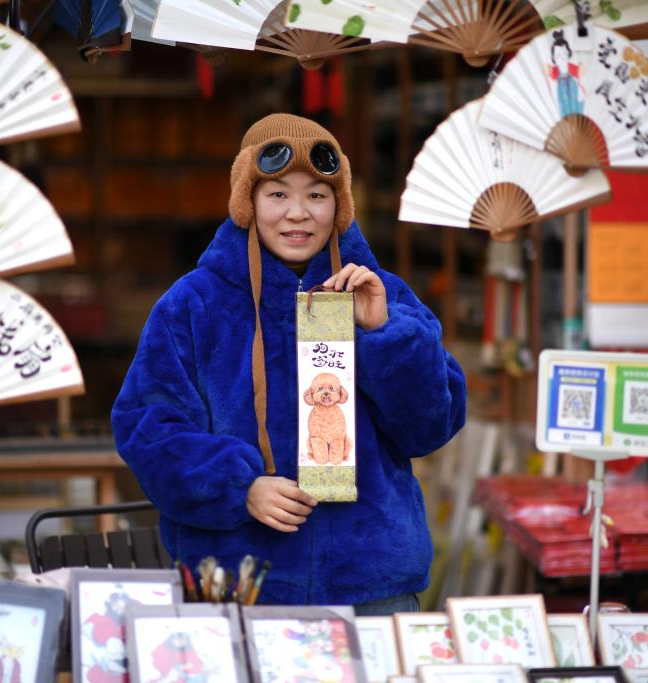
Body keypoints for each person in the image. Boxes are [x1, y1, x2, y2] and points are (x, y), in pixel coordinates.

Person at [112, 113, 466, 613]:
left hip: (372, 586)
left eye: (316, 195)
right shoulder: (193, 304)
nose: (298, 213)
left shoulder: (383, 296)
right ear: (247, 200)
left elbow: (430, 428)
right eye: (278, 194)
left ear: (339, 205)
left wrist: (383, 332)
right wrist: (238, 487)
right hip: (241, 585)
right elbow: (146, 427)